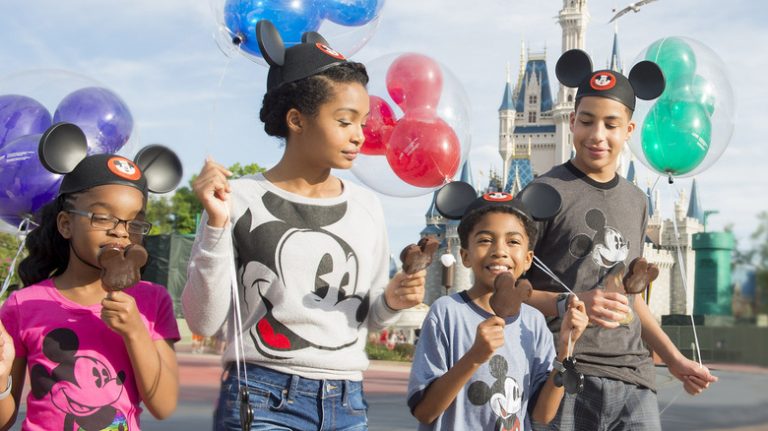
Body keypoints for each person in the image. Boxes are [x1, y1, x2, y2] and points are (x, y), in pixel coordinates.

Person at [181, 20, 425, 431]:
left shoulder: (366, 205)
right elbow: (204, 321)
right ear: (297, 120)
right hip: (260, 398)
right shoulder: (236, 199)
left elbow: (367, 318)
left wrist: (394, 300)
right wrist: (216, 226)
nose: (360, 136)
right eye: (345, 121)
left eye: (363, 124)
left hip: (348, 402)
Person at [525, 49, 718, 430]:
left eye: (611, 124)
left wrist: (675, 360)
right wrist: (571, 303)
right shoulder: (541, 194)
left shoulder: (636, 201)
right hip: (566, 373)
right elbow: (507, 291)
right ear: (572, 121)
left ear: (628, 130)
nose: (597, 135)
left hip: (635, 378)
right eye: (586, 121)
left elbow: (631, 300)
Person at [0, 123, 182, 430]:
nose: (120, 231)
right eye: (103, 217)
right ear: (66, 224)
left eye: (134, 223)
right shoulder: (22, 305)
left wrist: (135, 331)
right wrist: (2, 377)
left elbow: (163, 406)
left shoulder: (152, 301)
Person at [407, 189, 589, 430]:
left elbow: (542, 414)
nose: (499, 250)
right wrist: (475, 356)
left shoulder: (533, 322)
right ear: (465, 255)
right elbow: (424, 411)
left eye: (513, 241)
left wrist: (566, 348)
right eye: (485, 240)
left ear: (528, 259)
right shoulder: (446, 313)